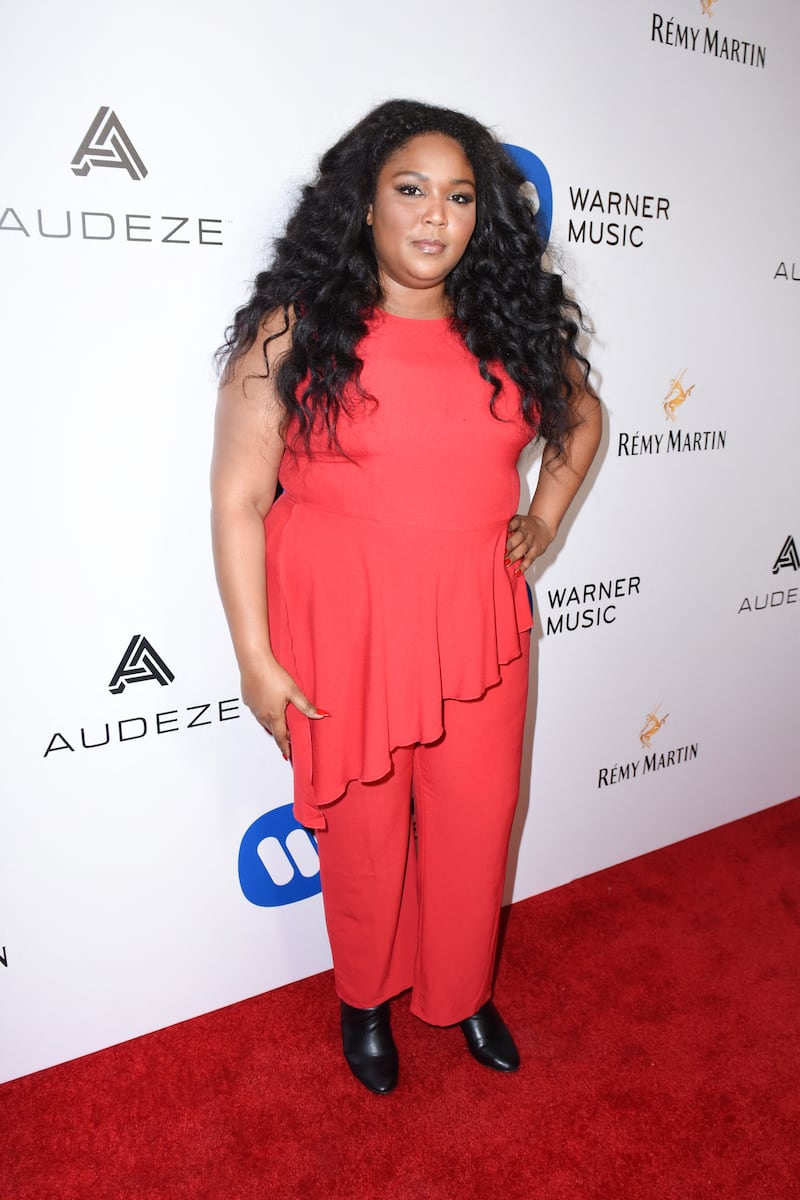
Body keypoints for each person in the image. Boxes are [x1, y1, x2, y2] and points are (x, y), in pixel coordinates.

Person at [211, 99, 602, 1095]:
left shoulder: (504, 325)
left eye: (459, 196)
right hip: (342, 629)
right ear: (364, 203)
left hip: (479, 622)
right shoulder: (295, 328)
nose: (435, 216)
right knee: (363, 833)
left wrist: (543, 520)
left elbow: (582, 417)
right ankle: (364, 1001)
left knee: (477, 820)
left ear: (482, 216)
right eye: (410, 189)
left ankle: (462, 993)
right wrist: (255, 659)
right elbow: (239, 495)